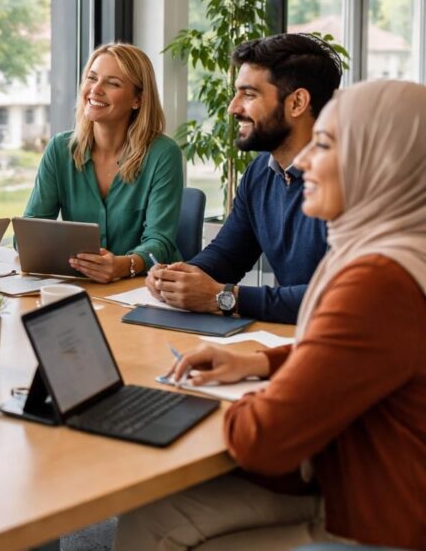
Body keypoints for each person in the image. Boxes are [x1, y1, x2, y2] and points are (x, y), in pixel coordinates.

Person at [115, 80, 426, 550]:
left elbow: (263, 441)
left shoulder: (379, 281)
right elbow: (358, 359)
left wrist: (213, 406)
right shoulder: (400, 251)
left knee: (164, 525)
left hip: (374, 519)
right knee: (151, 516)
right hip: (353, 480)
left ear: (380, 161)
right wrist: (259, 364)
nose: (305, 162)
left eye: (325, 145)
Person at [146, 33, 342, 323]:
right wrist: (180, 278)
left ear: (297, 102)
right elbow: (228, 254)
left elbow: (338, 296)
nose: (233, 108)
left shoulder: (350, 181)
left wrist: (225, 297)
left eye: (249, 94)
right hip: (289, 339)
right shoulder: (261, 171)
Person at [22, 43, 182, 283]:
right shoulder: (60, 149)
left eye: (112, 83)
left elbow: (159, 243)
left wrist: (123, 265)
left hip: (144, 286)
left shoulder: (163, 154)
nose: (95, 89)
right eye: (92, 78)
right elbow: (29, 233)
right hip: (81, 284)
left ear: (137, 100)